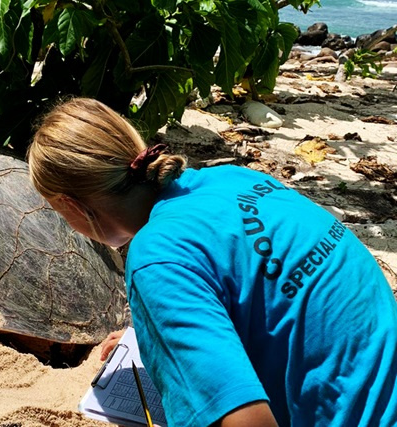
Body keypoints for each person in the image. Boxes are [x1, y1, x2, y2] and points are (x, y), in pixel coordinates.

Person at [27, 97, 397, 427]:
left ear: (70, 206)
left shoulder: (155, 258)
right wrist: (157, 332)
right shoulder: (231, 177)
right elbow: (265, 283)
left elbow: (247, 421)